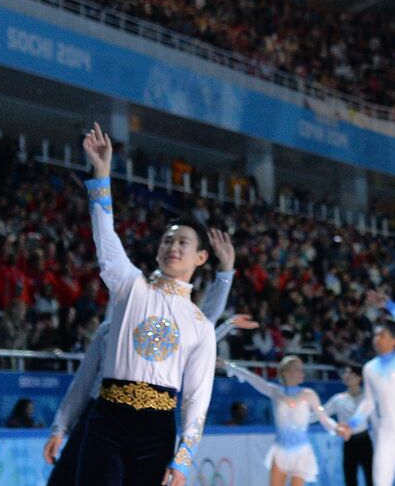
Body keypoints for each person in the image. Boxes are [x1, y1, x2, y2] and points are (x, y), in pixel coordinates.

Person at [44, 229, 246, 486]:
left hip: (151, 423)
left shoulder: (176, 324)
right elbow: (82, 382)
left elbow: (203, 320)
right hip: (99, 417)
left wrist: (226, 273)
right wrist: (60, 427)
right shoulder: (108, 330)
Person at [75, 123, 216, 486]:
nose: (173, 247)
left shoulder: (201, 325)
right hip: (108, 418)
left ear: (200, 257)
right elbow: (105, 236)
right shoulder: (130, 286)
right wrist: (102, 174)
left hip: (156, 429)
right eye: (168, 240)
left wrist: (183, 459)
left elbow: (197, 401)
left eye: (183, 242)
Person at [337, 292, 395, 486]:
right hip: (386, 428)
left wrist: (390, 306)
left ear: (394, 341)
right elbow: (368, 402)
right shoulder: (370, 368)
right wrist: (352, 424)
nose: (377, 338)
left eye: (382, 335)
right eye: (375, 335)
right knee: (380, 480)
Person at [224, 355, 340, 485]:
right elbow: (252, 378)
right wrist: (228, 366)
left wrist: (337, 429)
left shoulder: (309, 394)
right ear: (287, 372)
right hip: (280, 450)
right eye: (299, 369)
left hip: (301, 451)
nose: (303, 373)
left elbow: (324, 418)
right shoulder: (275, 391)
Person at [324, 365, 374, 486]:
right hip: (349, 442)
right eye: (345, 373)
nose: (347, 376)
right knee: (350, 478)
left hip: (364, 440)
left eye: (350, 373)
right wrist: (300, 416)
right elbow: (320, 414)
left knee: (371, 477)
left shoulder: (367, 397)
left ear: (359, 378)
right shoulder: (338, 399)